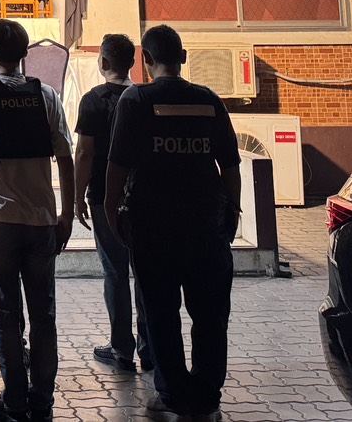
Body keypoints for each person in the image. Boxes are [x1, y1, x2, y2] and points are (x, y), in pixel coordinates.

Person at [104, 24, 241, 422]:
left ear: (145, 59)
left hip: (154, 230)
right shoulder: (209, 100)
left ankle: (172, 394)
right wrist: (231, 212)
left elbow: (117, 165)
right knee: (210, 315)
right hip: (206, 229)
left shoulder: (136, 99)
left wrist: (112, 214)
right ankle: (207, 395)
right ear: (183, 57)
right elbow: (230, 165)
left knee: (161, 314)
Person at [0, 19, 74, 422]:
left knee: (7, 315)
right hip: (41, 219)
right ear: (26, 54)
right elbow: (66, 158)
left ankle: (15, 402)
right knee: (44, 316)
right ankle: (43, 401)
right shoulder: (47, 95)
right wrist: (66, 213)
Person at [72, 33, 151, 375]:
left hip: (105, 195)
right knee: (146, 271)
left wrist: (76, 198)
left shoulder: (93, 100)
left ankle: (121, 347)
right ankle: (150, 347)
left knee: (115, 272)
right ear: (132, 62)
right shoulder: (145, 97)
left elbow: (85, 153)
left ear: (102, 62)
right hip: (144, 195)